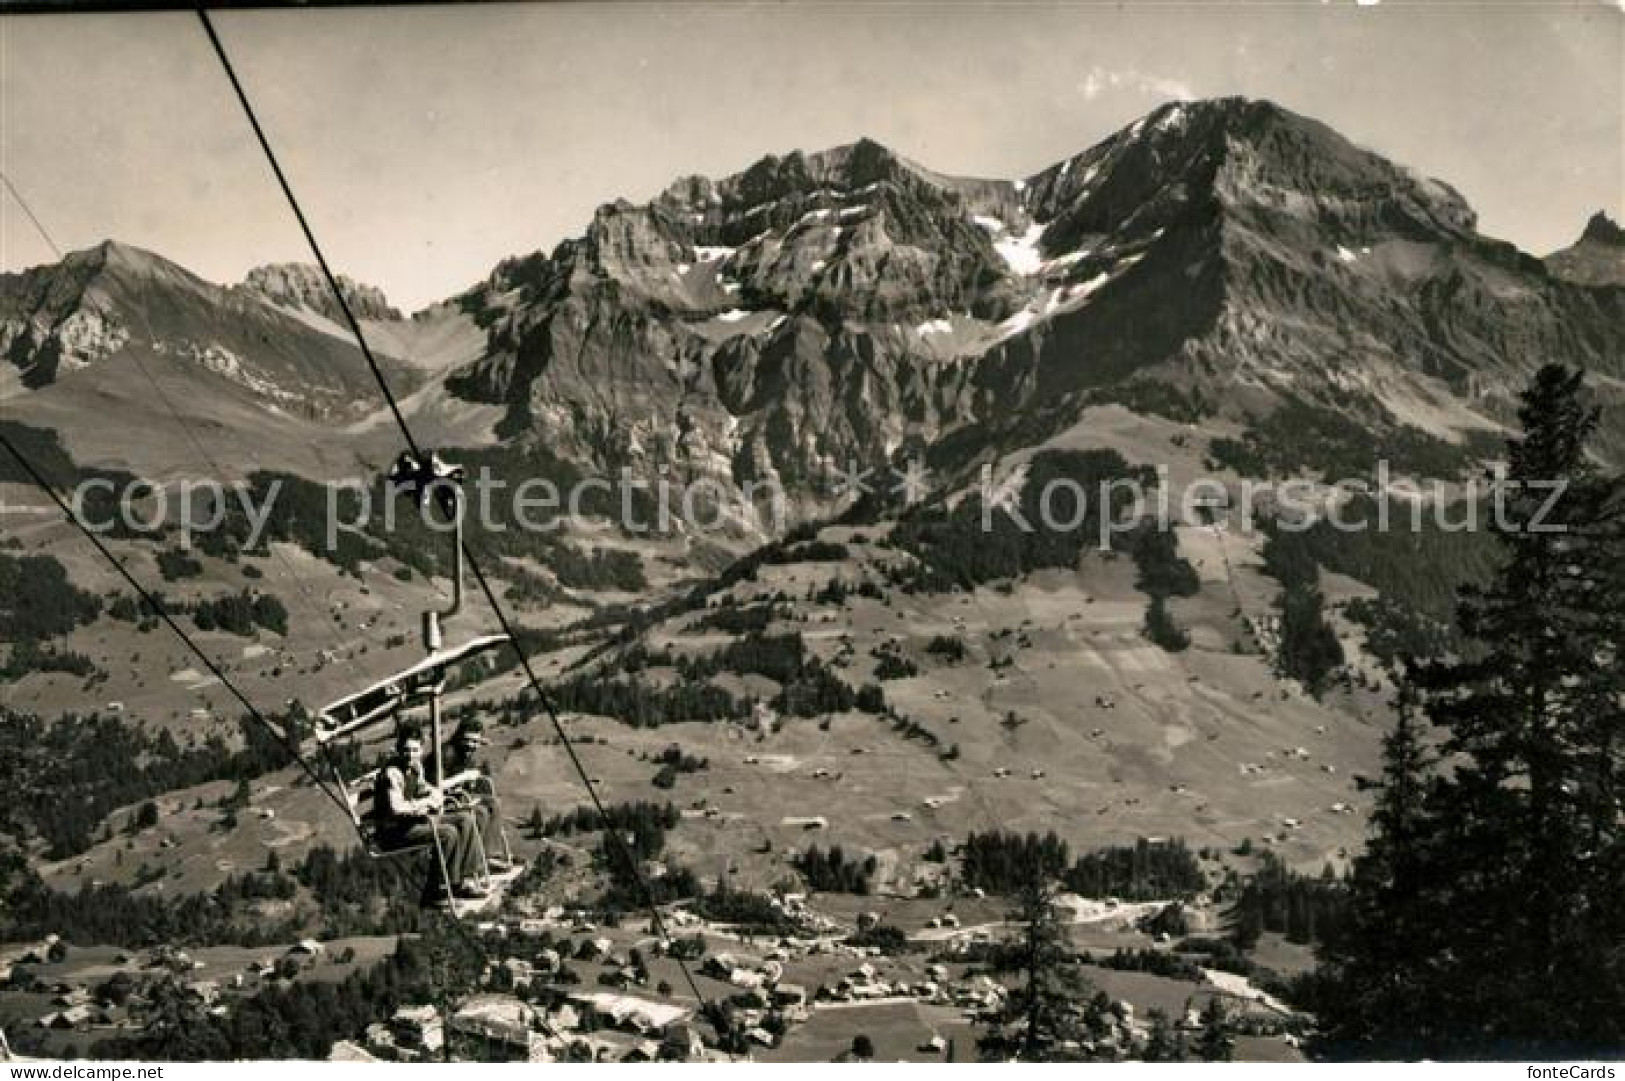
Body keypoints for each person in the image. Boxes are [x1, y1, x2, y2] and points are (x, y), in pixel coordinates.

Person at [374, 722, 487, 904]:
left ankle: (463, 879)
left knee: (465, 818)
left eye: (414, 750)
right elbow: (397, 809)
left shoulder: (415, 766)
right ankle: (437, 890)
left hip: (411, 823)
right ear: (398, 749)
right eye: (405, 750)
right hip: (393, 831)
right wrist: (424, 803)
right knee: (448, 833)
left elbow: (422, 787)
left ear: (420, 749)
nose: (410, 755)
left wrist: (433, 794)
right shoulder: (392, 773)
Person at [434, 717, 511, 871]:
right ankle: (473, 865)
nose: (472, 745)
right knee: (480, 812)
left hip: (458, 797)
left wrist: (469, 781)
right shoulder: (447, 754)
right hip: (444, 803)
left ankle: (488, 856)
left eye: (475, 742)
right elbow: (436, 786)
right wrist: (464, 777)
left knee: (493, 803)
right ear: (459, 736)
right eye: (468, 740)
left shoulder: (464, 754)